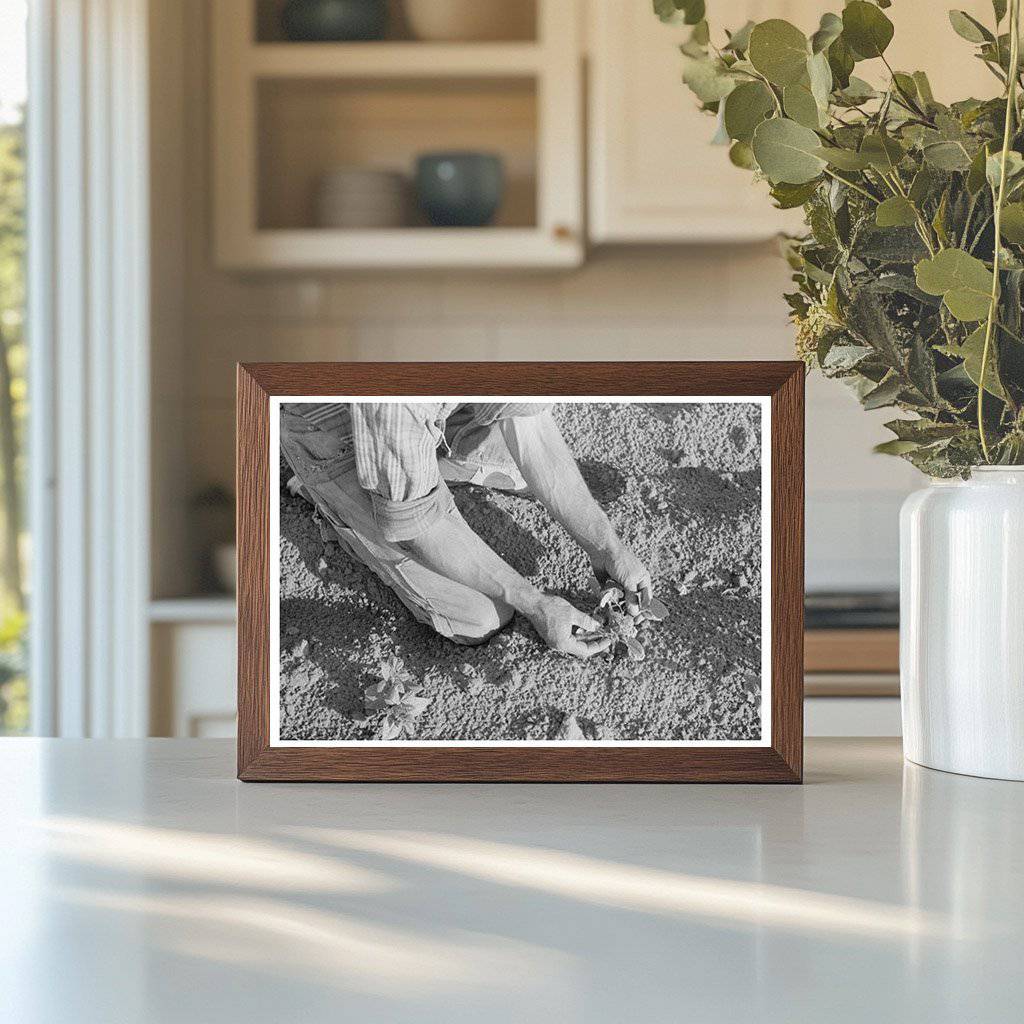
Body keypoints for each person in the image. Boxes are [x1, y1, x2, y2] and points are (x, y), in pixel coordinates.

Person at [280, 401, 651, 659]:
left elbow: (532, 430)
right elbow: (416, 527)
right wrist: (535, 603)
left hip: (422, 416)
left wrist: (607, 546)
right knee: (482, 616)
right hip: (332, 428)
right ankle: (327, 491)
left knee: (533, 466)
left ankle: (425, 465)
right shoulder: (395, 395)